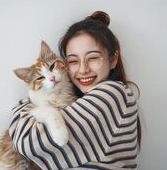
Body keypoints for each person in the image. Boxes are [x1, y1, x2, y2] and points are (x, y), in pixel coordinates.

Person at [9, 11, 142, 169]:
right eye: (73, 61)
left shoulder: (113, 94)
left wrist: (22, 109)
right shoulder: (80, 99)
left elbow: (28, 143)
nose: (83, 69)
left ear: (113, 59)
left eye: (92, 58)